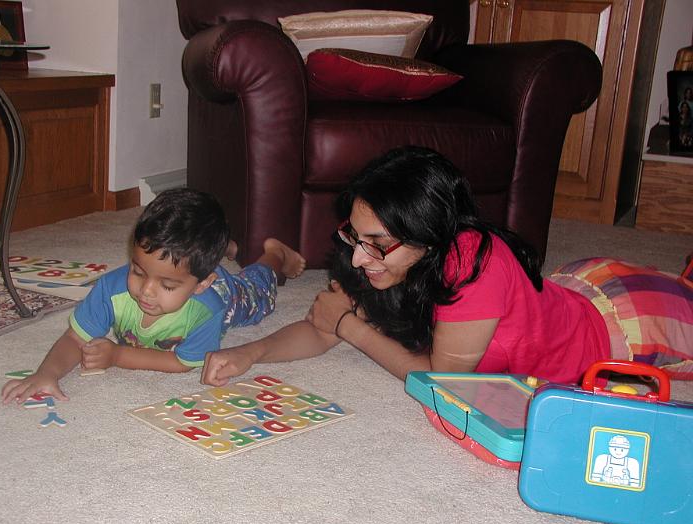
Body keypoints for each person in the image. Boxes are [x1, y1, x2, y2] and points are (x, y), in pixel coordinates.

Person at [201, 146, 693, 387]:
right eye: (355, 236)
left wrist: (351, 327)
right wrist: (251, 352)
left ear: (428, 235)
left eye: (377, 244)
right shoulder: (381, 257)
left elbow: (441, 381)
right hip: (568, 294)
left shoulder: (472, 262)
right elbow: (321, 325)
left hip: (616, 329)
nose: (357, 256)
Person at [2, 187, 305, 403]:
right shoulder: (110, 289)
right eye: (138, 271)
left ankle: (274, 254)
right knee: (177, 262)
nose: (146, 291)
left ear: (200, 284)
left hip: (228, 294)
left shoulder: (208, 309)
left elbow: (183, 362)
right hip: (193, 270)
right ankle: (222, 247)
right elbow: (74, 338)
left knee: (258, 292)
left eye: (167, 286)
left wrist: (118, 355)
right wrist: (47, 373)